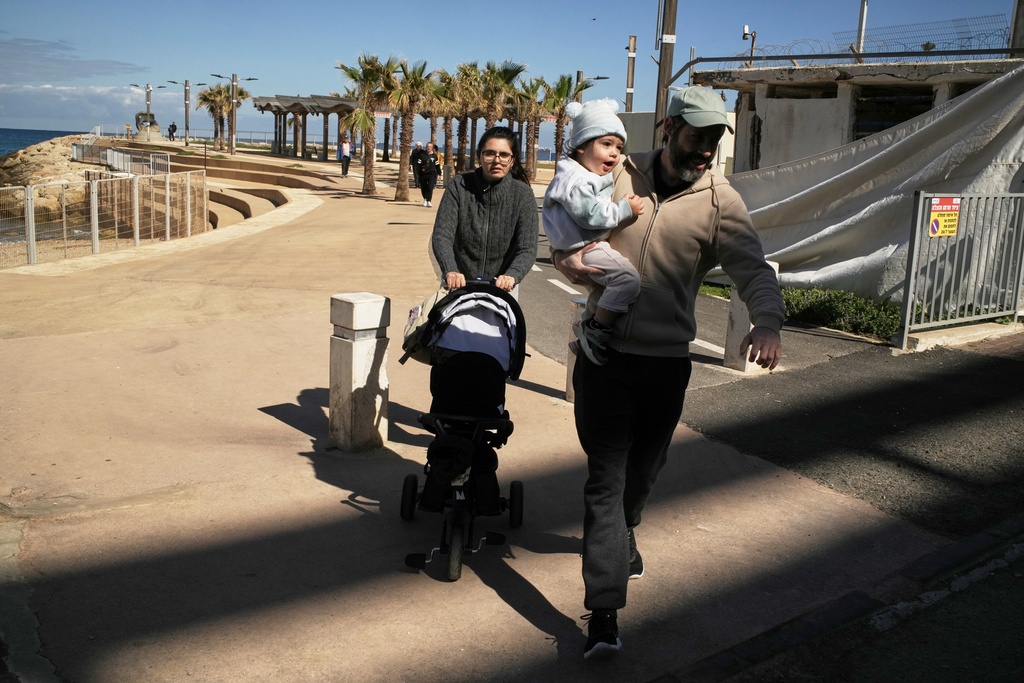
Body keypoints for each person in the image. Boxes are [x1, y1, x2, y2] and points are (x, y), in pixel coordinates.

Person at [552, 86, 784, 660]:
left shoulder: (720, 201)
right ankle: (603, 613)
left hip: (665, 365)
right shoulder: (618, 173)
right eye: (696, 136)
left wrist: (768, 321)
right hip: (603, 357)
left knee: (642, 474)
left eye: (714, 140)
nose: (705, 149)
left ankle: (628, 527)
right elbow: (568, 217)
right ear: (669, 128)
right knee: (604, 480)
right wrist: (568, 265)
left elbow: (752, 269)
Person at [542, 98, 644, 365]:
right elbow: (590, 216)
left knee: (600, 293)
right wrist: (626, 209)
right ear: (580, 147)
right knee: (627, 281)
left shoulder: (584, 172)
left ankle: (585, 336)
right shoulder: (577, 180)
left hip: (581, 247)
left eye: (619, 147)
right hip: (585, 247)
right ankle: (596, 330)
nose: (614, 153)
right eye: (606, 144)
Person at [432, 126, 538, 294]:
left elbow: (527, 248)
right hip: (459, 283)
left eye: (504, 155)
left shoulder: (523, 194)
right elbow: (442, 235)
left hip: (502, 287)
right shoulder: (459, 186)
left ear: (512, 160)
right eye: (489, 153)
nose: (497, 160)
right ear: (480, 157)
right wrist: (450, 269)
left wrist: (512, 275)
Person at [418, 142, 442, 207]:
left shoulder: (434, 156)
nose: (428, 148)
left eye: (430, 146)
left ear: (432, 148)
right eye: (427, 146)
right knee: (423, 187)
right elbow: (418, 164)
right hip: (423, 174)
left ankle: (428, 200)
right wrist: (419, 172)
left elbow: (437, 165)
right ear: (426, 147)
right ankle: (425, 199)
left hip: (432, 173)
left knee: (430, 187)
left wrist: (439, 173)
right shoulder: (422, 155)